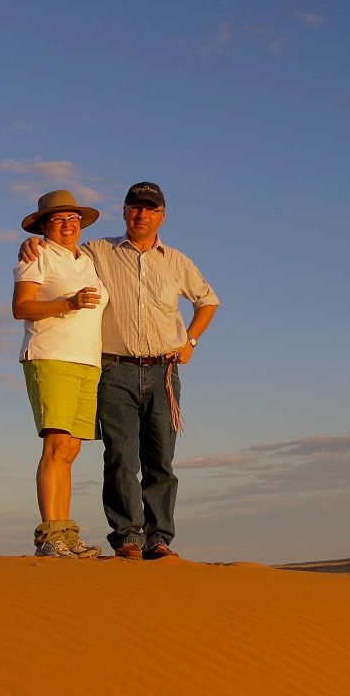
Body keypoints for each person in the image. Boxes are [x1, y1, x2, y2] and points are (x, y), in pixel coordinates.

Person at [20, 182, 219, 560]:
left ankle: (159, 539)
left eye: (149, 208)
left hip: (163, 371)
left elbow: (208, 301)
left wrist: (190, 341)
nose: (141, 214)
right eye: (135, 207)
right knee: (120, 457)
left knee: (160, 460)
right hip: (114, 368)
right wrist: (29, 244)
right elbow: (53, 251)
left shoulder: (176, 261)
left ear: (161, 215)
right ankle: (127, 537)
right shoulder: (96, 251)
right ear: (125, 212)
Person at [13, 190, 108, 558]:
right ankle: (49, 536)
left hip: (88, 362)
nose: (68, 225)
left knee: (69, 449)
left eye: (73, 219)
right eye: (58, 220)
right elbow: (20, 306)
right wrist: (68, 303)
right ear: (43, 225)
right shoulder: (37, 256)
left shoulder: (88, 260)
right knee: (54, 446)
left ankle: (66, 533)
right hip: (50, 356)